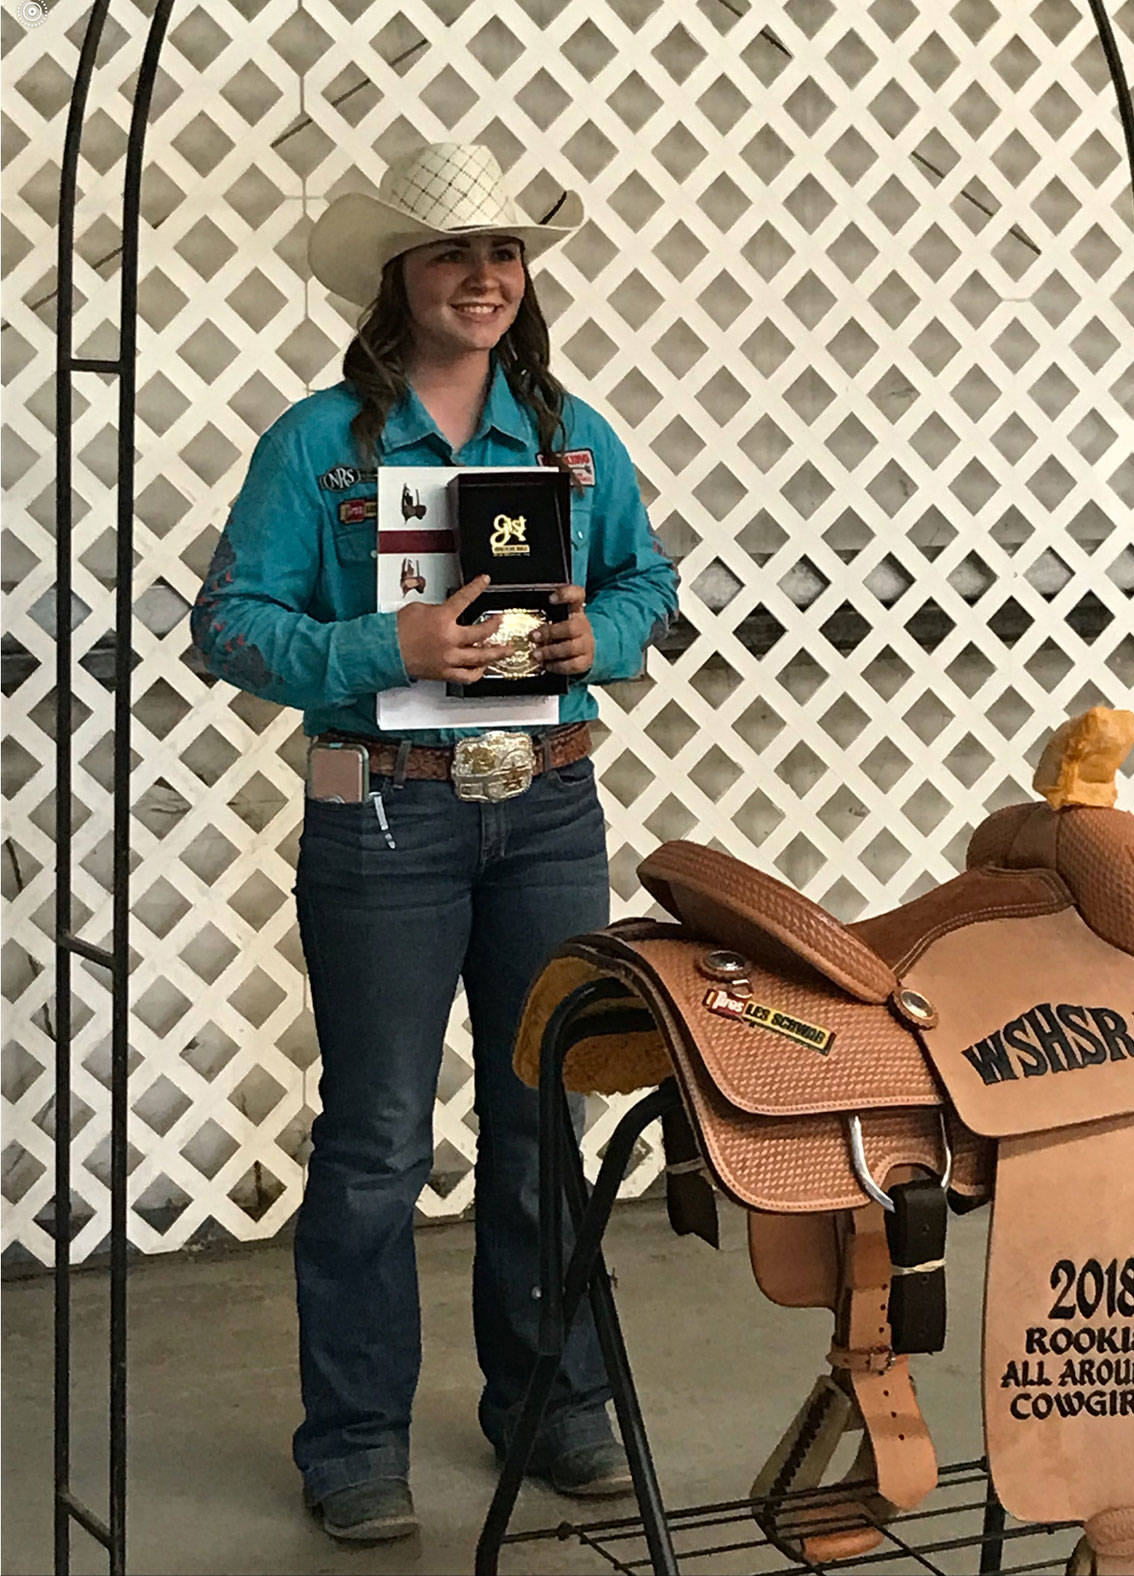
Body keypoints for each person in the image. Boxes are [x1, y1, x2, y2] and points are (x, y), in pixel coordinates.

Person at [190, 141, 680, 1545]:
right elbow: (226, 624)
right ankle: (352, 1440)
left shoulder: (570, 436)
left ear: (525, 284)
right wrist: (384, 642)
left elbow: (648, 573)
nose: (483, 275)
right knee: (376, 1139)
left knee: (547, 1116)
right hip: (380, 806)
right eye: (453, 251)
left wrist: (612, 631)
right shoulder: (317, 445)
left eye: (506, 253)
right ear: (397, 278)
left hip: (548, 804)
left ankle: (554, 1401)